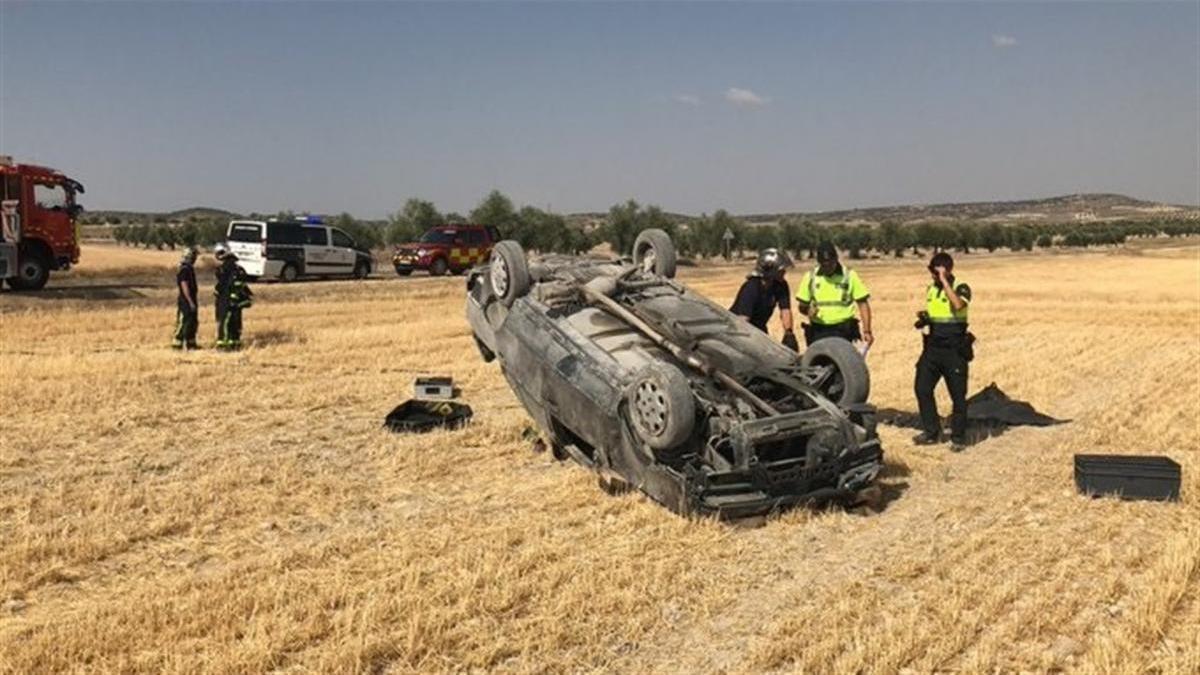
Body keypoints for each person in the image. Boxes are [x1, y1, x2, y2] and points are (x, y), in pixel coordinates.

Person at [913, 251, 974, 451]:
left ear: (947, 271)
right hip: (932, 348)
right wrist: (925, 319)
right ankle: (931, 431)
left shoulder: (961, 287)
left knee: (957, 396)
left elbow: (957, 305)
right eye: (933, 273)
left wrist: (945, 281)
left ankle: (958, 437)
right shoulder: (931, 289)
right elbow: (937, 314)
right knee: (922, 388)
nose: (933, 277)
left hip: (954, 350)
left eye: (936, 273)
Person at [795, 242, 873, 347]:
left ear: (836, 259)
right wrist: (807, 310)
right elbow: (802, 306)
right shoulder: (810, 277)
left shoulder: (849, 276)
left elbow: (863, 304)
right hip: (819, 331)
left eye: (830, 264)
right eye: (824, 265)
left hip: (844, 331)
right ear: (819, 262)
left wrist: (867, 331)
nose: (827, 268)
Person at [730, 248, 799, 350]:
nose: (784, 272)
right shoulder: (751, 287)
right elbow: (742, 321)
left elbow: (785, 310)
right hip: (738, 331)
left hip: (760, 328)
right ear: (769, 270)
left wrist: (789, 333)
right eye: (780, 270)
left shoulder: (781, 285)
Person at [213, 243, 253, 351]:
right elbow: (241, 284)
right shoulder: (237, 268)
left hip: (226, 300)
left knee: (225, 322)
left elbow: (225, 285)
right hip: (235, 301)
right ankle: (234, 344)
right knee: (235, 322)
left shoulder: (225, 268)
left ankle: (223, 345)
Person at [172, 247, 199, 349]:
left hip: (191, 298)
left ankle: (190, 343)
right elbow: (184, 286)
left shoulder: (189, 269)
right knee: (184, 321)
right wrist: (190, 301)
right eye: (193, 256)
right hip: (186, 300)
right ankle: (177, 343)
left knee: (193, 321)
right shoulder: (184, 270)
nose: (195, 259)